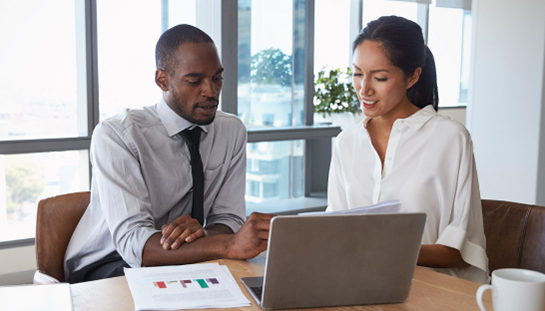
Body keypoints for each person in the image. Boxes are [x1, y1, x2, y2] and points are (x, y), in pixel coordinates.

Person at [64, 24, 274, 283]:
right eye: (195, 81)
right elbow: (134, 245)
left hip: (185, 259)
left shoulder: (231, 131)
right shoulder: (117, 135)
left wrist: (205, 236)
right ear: (162, 80)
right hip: (108, 264)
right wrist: (227, 244)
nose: (211, 91)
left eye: (217, 78)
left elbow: (228, 218)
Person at [326, 16, 489, 284]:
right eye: (357, 73)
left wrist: (387, 251)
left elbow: (463, 251)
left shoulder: (450, 139)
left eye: (379, 77)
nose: (363, 88)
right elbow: (334, 229)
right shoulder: (346, 142)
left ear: (413, 76)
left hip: (432, 289)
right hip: (357, 283)